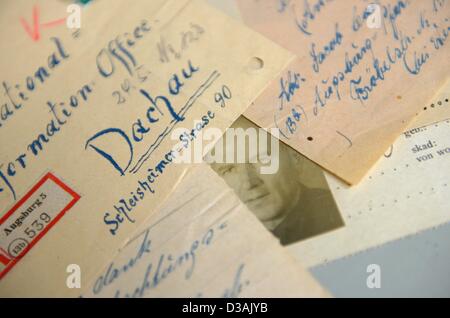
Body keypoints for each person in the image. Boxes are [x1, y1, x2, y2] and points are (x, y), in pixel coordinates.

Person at [209, 117, 342, 245]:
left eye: (262, 159)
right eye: (229, 170)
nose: (249, 182)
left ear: (294, 157)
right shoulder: (223, 239)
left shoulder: (335, 213)